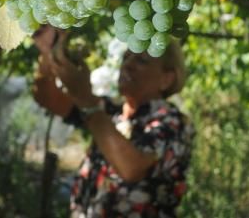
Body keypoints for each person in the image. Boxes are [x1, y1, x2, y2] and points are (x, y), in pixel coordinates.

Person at [33, 27, 192, 218]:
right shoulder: (112, 113)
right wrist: (49, 52)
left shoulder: (173, 122)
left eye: (141, 60)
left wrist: (85, 98)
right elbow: (47, 98)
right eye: (126, 57)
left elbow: (132, 168)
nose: (128, 65)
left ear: (167, 79)